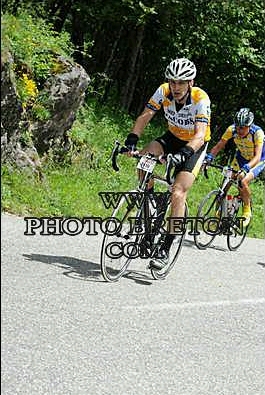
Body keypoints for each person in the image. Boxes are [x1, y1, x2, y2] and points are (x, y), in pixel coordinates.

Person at [124, 57, 211, 264]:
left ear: (191, 82)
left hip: (194, 145)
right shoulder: (163, 91)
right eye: (173, 81)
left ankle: (165, 247)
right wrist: (132, 138)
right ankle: (151, 203)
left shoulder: (200, 98)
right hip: (172, 137)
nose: (176, 86)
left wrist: (184, 153)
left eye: (181, 82)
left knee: (178, 192)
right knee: (144, 160)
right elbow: (146, 115)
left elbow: (199, 135)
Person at [205, 107, 265, 227]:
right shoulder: (231, 130)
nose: (239, 130)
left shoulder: (257, 133)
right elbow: (218, 146)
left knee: (243, 181)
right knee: (225, 184)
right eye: (237, 126)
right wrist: (209, 158)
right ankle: (221, 212)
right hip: (241, 158)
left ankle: (247, 211)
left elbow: (257, 156)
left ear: (249, 125)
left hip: (258, 160)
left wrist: (246, 169)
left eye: (242, 127)